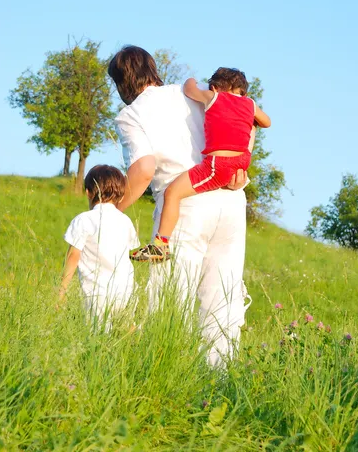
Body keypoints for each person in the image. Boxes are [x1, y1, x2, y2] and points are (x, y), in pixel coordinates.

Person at [108, 46, 253, 366]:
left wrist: (112, 210)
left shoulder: (131, 115)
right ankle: (218, 389)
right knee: (222, 304)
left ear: (121, 84)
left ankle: (165, 384)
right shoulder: (191, 92)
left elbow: (144, 169)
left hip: (183, 204)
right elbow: (240, 122)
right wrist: (240, 170)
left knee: (171, 303)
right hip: (230, 199)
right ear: (153, 70)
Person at [139, 68, 271, 257]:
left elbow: (189, 89)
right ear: (243, 91)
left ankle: (161, 245)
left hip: (218, 164)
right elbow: (267, 122)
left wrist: (191, 79)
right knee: (252, 125)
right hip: (241, 161)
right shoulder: (249, 103)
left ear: (215, 87)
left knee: (172, 193)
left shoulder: (214, 97)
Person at [59, 165, 139, 327]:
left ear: (88, 192)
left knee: (99, 339)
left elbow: (73, 256)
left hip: (97, 294)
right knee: (123, 332)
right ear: (121, 197)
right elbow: (130, 251)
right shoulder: (125, 221)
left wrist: (62, 291)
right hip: (126, 291)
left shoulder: (83, 220)